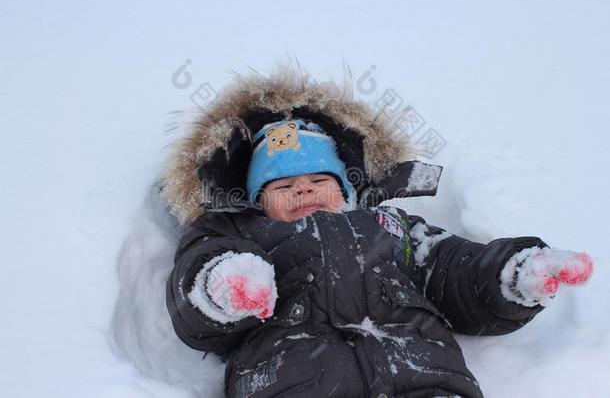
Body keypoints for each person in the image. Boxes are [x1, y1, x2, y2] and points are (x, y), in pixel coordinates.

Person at [162, 68, 592, 397]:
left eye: (319, 181)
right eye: (284, 186)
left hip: (422, 375)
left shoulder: (391, 226)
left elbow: (451, 268)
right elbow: (198, 270)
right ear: (258, 201)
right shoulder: (243, 232)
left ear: (347, 188)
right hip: (297, 381)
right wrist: (221, 288)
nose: (303, 190)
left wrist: (510, 274)